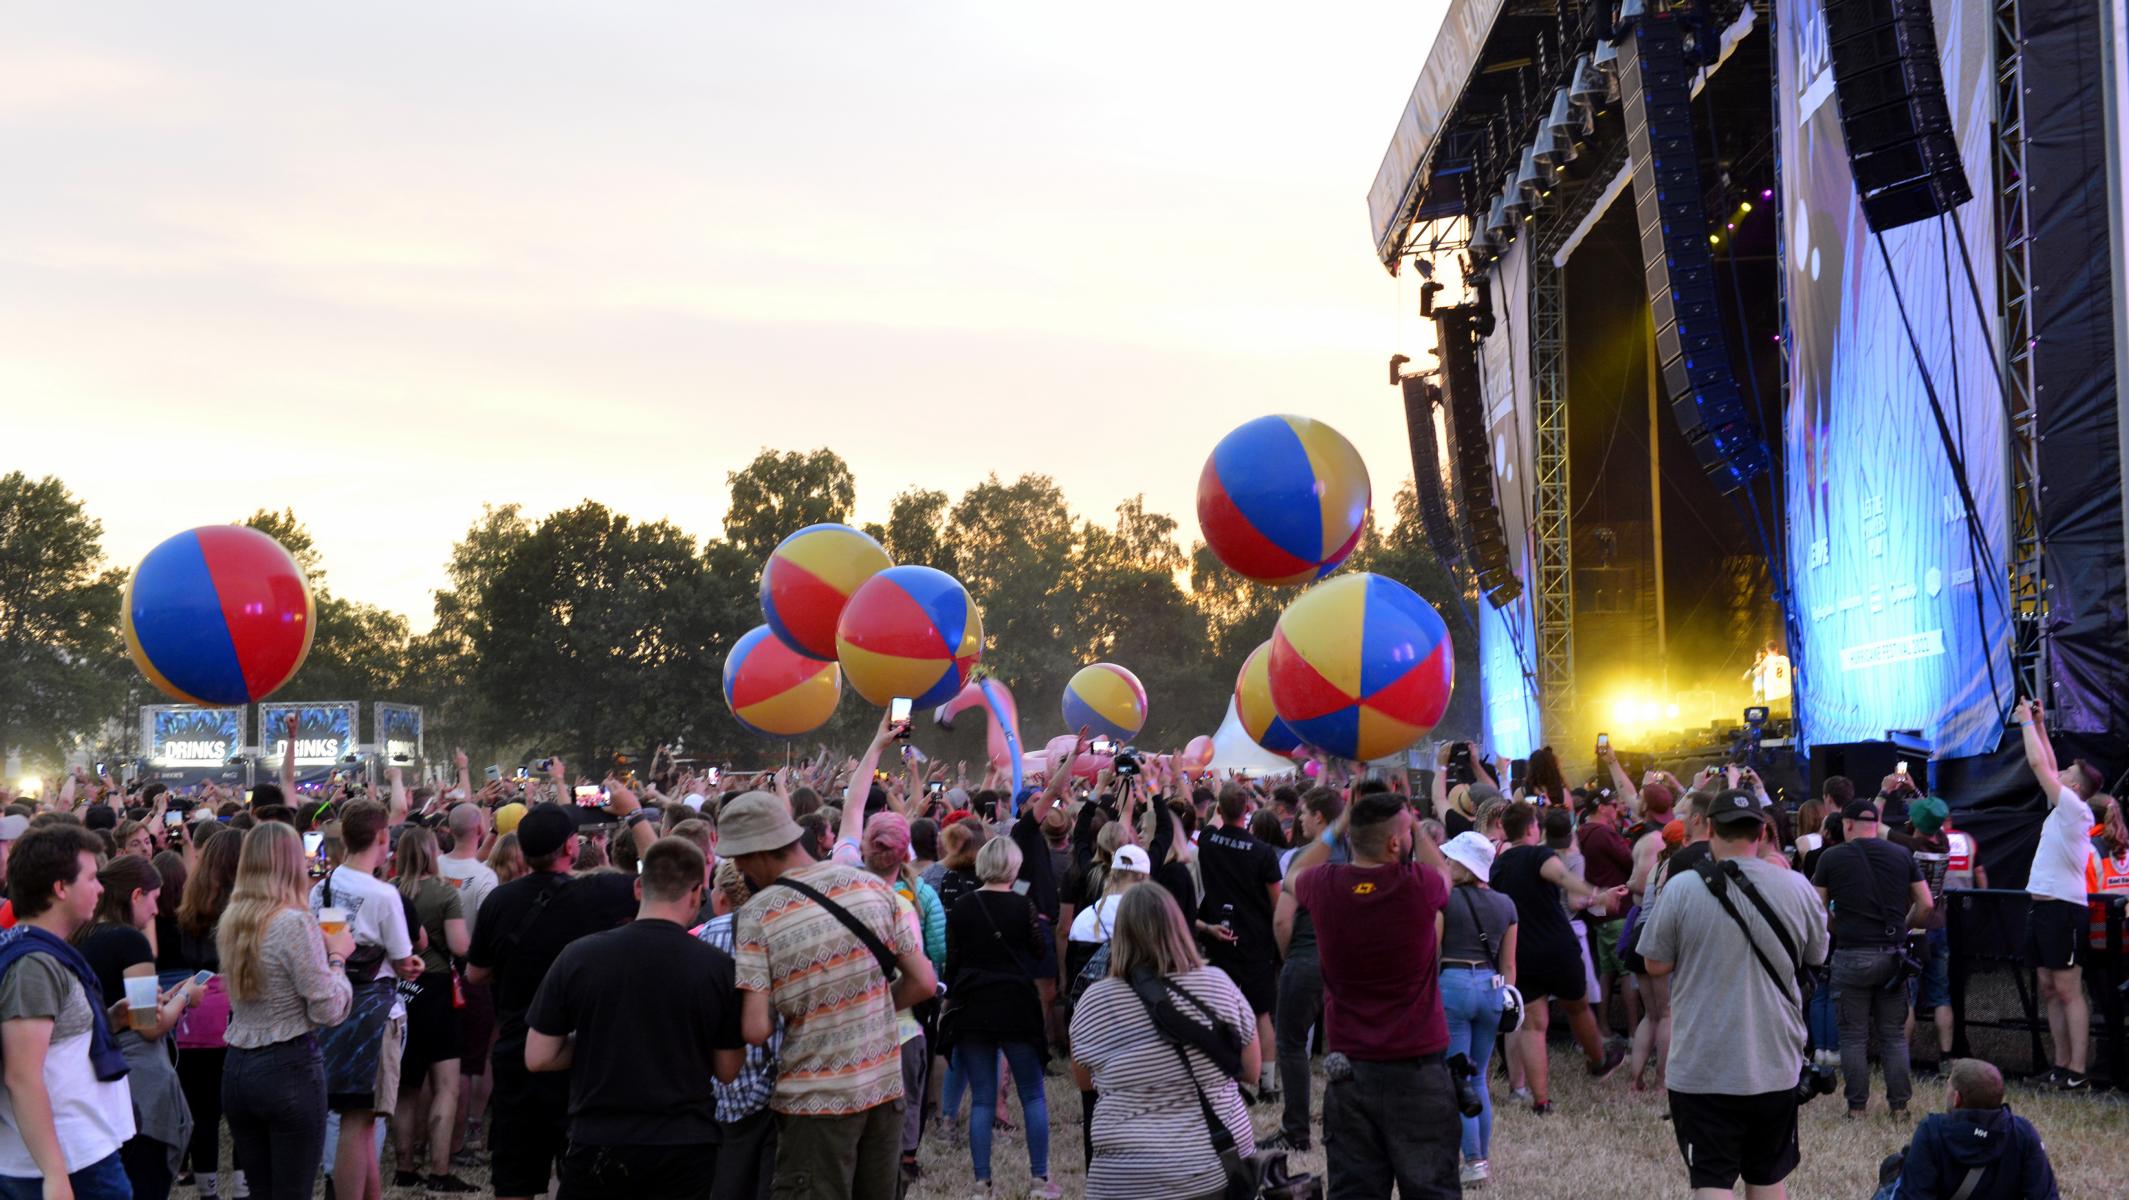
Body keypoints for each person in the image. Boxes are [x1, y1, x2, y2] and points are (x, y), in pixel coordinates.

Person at [721, 791, 935, 1200]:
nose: (740, 869)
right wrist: (863, 1006)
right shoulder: (873, 887)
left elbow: (755, 1028)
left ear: (755, 853)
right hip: (883, 1088)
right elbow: (924, 982)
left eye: (738, 859)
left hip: (814, 1101)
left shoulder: (758, 915)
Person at [525, 836, 746, 1199]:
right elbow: (727, 1069)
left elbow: (538, 1056)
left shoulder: (579, 956)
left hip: (599, 1139)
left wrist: (602, 1041)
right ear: (696, 894)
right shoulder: (719, 968)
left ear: (639, 887)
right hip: (683, 1143)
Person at [1639, 789, 1829, 1200]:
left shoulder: (1682, 887)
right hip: (1776, 1059)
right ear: (1762, 832)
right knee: (1768, 1176)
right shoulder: (1798, 887)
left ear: (1708, 828)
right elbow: (1816, 955)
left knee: (1712, 1179)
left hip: (1703, 1064)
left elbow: (1654, 963)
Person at [1286, 782, 1461, 1198]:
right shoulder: (1417, 885)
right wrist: (1414, 824)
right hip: (1417, 1067)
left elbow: (1292, 875)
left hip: (1350, 1071)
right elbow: (1445, 875)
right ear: (1395, 843)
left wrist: (1342, 821)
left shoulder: (1325, 885)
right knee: (1431, 1189)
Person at [465, 799, 645, 1200]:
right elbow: (665, 877)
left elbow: (475, 973)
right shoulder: (598, 893)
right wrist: (635, 815)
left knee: (514, 1178)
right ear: (570, 847)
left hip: (518, 1049)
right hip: (580, 1054)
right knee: (581, 1173)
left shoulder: (500, 900)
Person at [1067, 883, 1258, 1200]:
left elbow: (1085, 1082)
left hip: (1126, 1176)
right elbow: (1250, 1070)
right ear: (1177, 927)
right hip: (1214, 1165)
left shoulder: (1095, 1000)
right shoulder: (1218, 984)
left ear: (1121, 934)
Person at [0, 824, 136, 1200]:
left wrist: (109, 1019)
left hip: (72, 1152)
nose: (100, 888)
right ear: (61, 888)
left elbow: (53, 1045)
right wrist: (55, 1174)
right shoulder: (34, 965)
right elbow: (22, 1075)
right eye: (91, 878)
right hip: (67, 1159)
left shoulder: (37, 953)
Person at [219, 822, 355, 1200]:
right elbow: (329, 1009)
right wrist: (338, 958)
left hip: (238, 1067)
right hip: (287, 1066)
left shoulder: (233, 917)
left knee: (261, 1192)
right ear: (292, 863)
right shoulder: (294, 922)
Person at [306, 799, 419, 1200]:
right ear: (382, 837)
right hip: (375, 1014)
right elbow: (403, 959)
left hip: (334, 1007)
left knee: (361, 1119)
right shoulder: (384, 894)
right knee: (358, 1120)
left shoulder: (321, 888)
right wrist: (412, 965)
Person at [73, 855, 201, 1200]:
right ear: (136, 895)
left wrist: (167, 998)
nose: (156, 910)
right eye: (154, 899)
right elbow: (149, 1025)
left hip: (94, 1077)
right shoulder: (131, 941)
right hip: (138, 1084)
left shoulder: (79, 936)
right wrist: (185, 997)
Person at [1492, 801, 1627, 1111]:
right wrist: (1598, 895)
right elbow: (1563, 878)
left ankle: (1540, 1101)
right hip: (1558, 947)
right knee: (1578, 1007)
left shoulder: (1498, 866)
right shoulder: (1539, 855)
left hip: (1522, 951)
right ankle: (1599, 1062)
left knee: (1533, 1026)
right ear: (1531, 828)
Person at [942, 837, 1057, 1198]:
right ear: (1013, 866)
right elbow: (1038, 951)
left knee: (981, 1099)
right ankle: (1039, 1179)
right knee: (1033, 1095)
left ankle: (982, 1183)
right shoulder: (1023, 905)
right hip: (1015, 1003)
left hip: (973, 1004)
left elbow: (953, 961)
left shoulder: (961, 906)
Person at [1812, 797, 1932, 1116]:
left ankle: (1857, 1109)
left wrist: (1836, 927)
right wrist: (1902, 927)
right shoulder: (1901, 854)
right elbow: (1926, 904)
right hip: (1892, 956)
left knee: (1853, 1036)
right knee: (1893, 1036)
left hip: (1851, 954)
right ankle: (1899, 1108)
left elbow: (1815, 906)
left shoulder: (1831, 857)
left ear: (1847, 824)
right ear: (1876, 824)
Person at [2014, 698, 2096, 1090]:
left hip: (2065, 910)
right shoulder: (2065, 808)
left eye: (2066, 772)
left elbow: (2038, 764)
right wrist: (2040, 725)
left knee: (2067, 989)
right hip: (2043, 908)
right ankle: (2060, 1065)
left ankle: (2077, 1071)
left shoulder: (2075, 809)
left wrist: (2025, 724)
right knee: (2048, 987)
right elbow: (2046, 763)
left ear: (2074, 787)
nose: (2058, 771)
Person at [388, 828, 474, 1194]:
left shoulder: (389, 890)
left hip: (398, 989)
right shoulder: (444, 893)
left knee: (406, 1087)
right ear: (431, 853)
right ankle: (439, 1170)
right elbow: (459, 945)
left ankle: (404, 1167)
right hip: (436, 990)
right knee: (446, 1087)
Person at [1437, 832, 1517, 1188]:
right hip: (1492, 988)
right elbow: (1509, 965)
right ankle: (1481, 1157)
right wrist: (1507, 997)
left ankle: (1473, 1162)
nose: (1445, 864)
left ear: (1463, 865)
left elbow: (1433, 950)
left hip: (1453, 983)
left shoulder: (1445, 899)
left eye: (1450, 859)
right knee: (1479, 1077)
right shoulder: (1506, 904)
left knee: (1458, 1078)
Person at [697, 860, 780, 1200]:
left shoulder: (707, 935)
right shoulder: (785, 928)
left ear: (722, 897)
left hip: (729, 1086)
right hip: (780, 1083)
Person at [1193, 783, 1283, 1100]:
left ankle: (1227, 1077)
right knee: (1261, 1014)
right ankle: (1267, 1084)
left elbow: (1208, 825)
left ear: (1219, 809)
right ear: (1247, 810)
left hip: (1219, 936)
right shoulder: (1263, 852)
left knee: (1221, 1011)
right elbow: (1277, 901)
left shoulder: (1208, 841)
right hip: (1256, 941)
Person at [1266, 785, 1343, 1153]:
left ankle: (1296, 1130)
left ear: (1320, 818)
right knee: (1343, 1047)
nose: (1299, 819)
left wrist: (1290, 956)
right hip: (1346, 961)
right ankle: (1342, 1127)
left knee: (1292, 1043)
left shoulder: (1303, 857)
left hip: (1307, 955)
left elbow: (1283, 919)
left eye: (1304, 813)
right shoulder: (1357, 854)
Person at [171, 829, 240, 1199]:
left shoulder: (191, 902)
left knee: (203, 1113)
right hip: (234, 1011)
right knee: (241, 1114)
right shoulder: (244, 908)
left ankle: (207, 1190)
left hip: (195, 1012)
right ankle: (243, 1189)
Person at [1894, 797, 1985, 1074]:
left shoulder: (1909, 846)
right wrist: (1921, 797)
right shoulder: (1943, 844)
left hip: (1913, 925)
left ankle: (1902, 1060)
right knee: (1941, 995)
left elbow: (1877, 829)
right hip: (1938, 925)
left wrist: (1887, 793)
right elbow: (1935, 819)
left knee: (1907, 997)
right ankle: (1946, 1058)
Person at [1883, 1059, 2058, 1200]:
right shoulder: (2022, 1133)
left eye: (1949, 1085)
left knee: (1893, 1175)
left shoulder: (1932, 1130)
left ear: (1957, 1098)